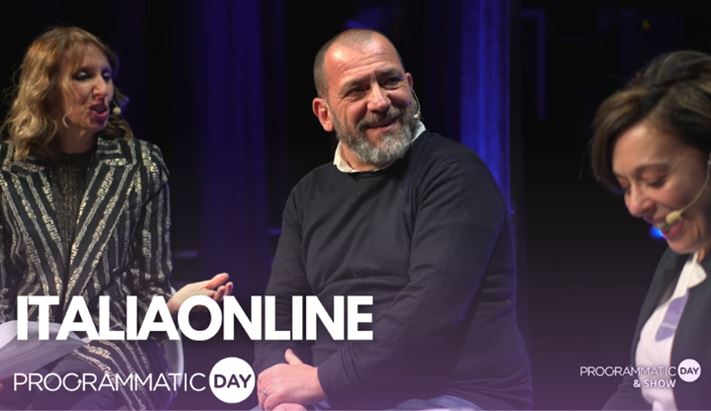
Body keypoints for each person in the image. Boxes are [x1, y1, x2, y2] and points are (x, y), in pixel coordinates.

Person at [254, 29, 531, 410]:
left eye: (389, 81)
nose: (380, 101)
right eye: (357, 91)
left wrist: (320, 381)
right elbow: (280, 309)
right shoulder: (307, 195)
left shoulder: (455, 174)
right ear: (324, 114)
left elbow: (429, 312)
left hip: (453, 394)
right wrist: (281, 391)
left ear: (410, 86)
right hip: (333, 395)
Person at [0, 26, 232, 409]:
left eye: (106, 76)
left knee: (68, 390)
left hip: (118, 346)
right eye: (83, 76)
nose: (102, 89)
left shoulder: (141, 166)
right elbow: (4, 289)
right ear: (46, 88)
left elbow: (150, 287)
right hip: (28, 355)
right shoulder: (8, 172)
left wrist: (172, 307)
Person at [591, 50, 711, 410]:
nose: (635, 205)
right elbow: (637, 388)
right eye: (626, 186)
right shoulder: (678, 261)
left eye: (655, 180)